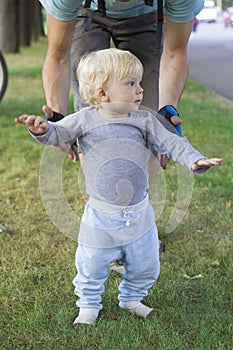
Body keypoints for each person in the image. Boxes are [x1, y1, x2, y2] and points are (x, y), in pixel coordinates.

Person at [16, 48, 222, 327]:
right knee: (91, 265)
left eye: (139, 83)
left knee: (146, 264)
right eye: (131, 84)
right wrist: (41, 130)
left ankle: (131, 298)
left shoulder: (145, 120)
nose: (140, 89)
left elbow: (172, 143)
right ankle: (88, 306)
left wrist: (195, 159)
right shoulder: (84, 119)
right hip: (100, 216)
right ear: (102, 93)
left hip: (139, 214)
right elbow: (58, 133)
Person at [39, 0, 205, 164]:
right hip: (87, 10)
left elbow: (175, 52)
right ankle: (99, 190)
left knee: (151, 120)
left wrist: (167, 111)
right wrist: (57, 121)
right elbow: (58, 55)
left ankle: (143, 190)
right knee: (90, 104)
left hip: (147, 13)